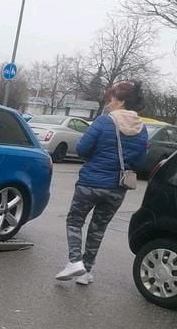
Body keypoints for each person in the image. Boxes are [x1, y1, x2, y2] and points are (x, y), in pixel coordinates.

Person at [55, 81, 148, 285]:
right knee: (98, 227)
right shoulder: (142, 129)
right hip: (117, 188)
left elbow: (82, 149)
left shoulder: (104, 122)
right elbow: (141, 162)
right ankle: (87, 272)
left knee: (75, 220)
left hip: (91, 182)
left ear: (121, 101)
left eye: (112, 99)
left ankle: (74, 261)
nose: (108, 103)